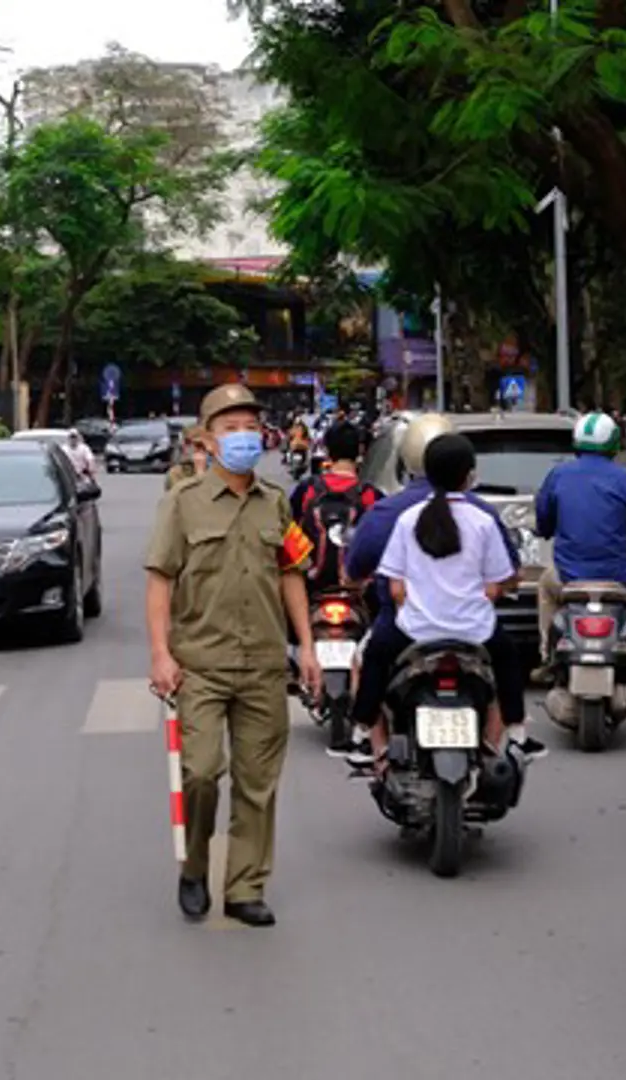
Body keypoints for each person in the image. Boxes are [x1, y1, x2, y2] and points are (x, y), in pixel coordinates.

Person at [145, 383, 320, 929]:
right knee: (200, 774)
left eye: (249, 427)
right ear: (207, 439)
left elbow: (290, 572)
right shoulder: (182, 502)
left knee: (257, 783)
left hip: (265, 663)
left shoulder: (275, 501)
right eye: (230, 428)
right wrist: (160, 655)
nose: (242, 437)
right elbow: (159, 580)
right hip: (200, 662)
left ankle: (245, 886)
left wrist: (307, 646)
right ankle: (194, 867)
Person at [344, 414, 522, 757]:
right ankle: (515, 732)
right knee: (508, 661)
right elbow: (502, 579)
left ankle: (364, 733)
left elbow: (393, 586)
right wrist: (488, 595)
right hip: (475, 631)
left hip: (414, 629)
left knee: (374, 659)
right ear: (469, 475)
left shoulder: (401, 517)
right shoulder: (483, 517)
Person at [533, 412, 626, 679]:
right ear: (614, 444)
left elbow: (543, 523)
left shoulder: (557, 476)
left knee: (545, 587)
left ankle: (547, 654)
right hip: (620, 578)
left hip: (567, 578)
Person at [287, 421, 382, 594]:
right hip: (357, 588)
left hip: (310, 585)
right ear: (360, 450)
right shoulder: (371, 495)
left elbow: (288, 530)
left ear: (328, 450)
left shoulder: (307, 489)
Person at [165, 425, 210, 490]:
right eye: (188, 444)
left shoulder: (218, 469)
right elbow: (182, 497)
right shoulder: (177, 472)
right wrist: (200, 473)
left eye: (201, 445)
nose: (195, 449)